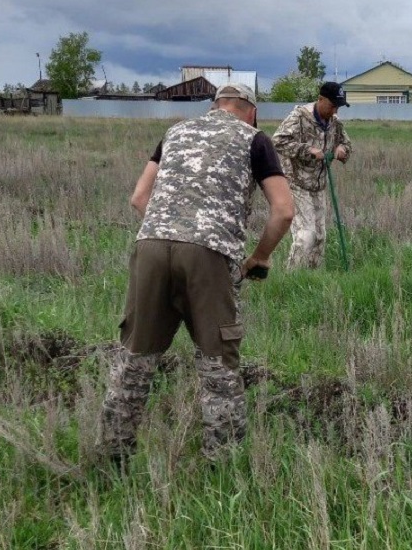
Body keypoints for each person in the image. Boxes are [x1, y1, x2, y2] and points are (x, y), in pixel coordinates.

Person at [98, 83, 294, 462]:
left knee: (135, 360)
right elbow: (284, 211)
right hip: (209, 255)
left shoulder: (174, 131)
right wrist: (259, 257)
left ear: (214, 107)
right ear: (251, 111)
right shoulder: (255, 139)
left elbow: (139, 198)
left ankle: (111, 459)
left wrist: (172, 227)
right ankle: (223, 468)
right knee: (218, 368)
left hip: (151, 246)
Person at [271, 81, 352, 269]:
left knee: (320, 236)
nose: (335, 111)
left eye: (338, 107)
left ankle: (312, 278)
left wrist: (342, 149)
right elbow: (278, 141)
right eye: (332, 106)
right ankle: (292, 278)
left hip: (319, 184)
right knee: (306, 234)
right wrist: (308, 150)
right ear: (320, 99)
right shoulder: (299, 117)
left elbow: (347, 145)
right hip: (296, 182)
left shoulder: (335, 123)